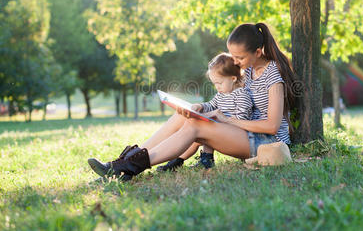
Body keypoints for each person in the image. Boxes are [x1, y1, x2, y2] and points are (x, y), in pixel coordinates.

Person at [87, 22, 297, 181]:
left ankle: (128, 167)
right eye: (232, 56)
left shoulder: (273, 76)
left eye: (239, 58)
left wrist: (227, 120)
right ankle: (123, 163)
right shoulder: (247, 70)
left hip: (265, 143)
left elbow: (272, 126)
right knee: (184, 114)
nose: (234, 62)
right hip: (245, 134)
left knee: (196, 125)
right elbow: (225, 98)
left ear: (258, 52)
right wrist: (200, 108)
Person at [157, 52, 254, 171]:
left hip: (237, 134)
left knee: (206, 126)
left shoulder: (242, 95)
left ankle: (196, 160)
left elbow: (242, 120)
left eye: (219, 83)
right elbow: (211, 105)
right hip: (222, 129)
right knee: (196, 134)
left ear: (233, 78)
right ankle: (180, 161)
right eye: (214, 84)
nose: (217, 87)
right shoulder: (221, 94)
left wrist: (221, 120)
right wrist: (200, 106)